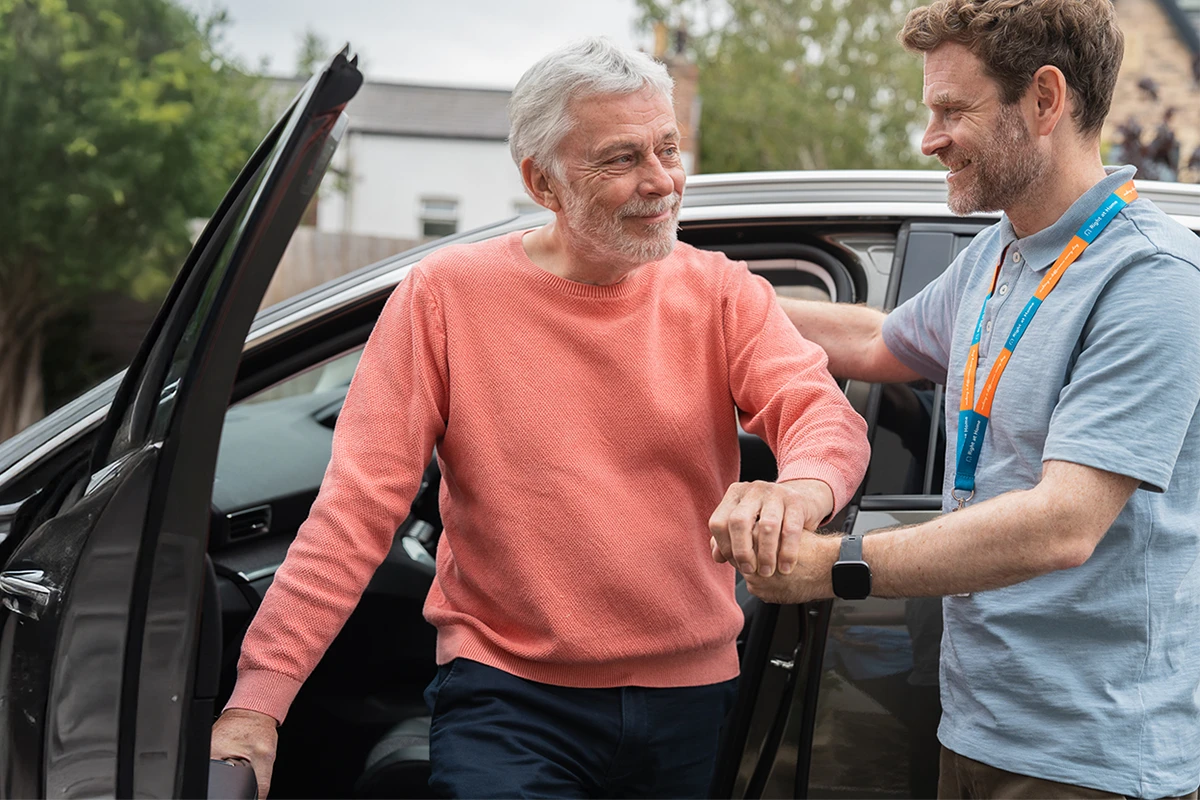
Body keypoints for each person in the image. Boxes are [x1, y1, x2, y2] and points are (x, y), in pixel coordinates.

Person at [210, 38, 870, 799]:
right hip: (509, 703)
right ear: (543, 181)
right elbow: (354, 513)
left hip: (692, 702)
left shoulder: (721, 293)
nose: (661, 182)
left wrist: (800, 490)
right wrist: (258, 702)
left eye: (667, 149)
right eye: (622, 159)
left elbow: (822, 416)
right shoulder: (446, 298)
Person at [715, 2, 1200, 798]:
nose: (929, 137)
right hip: (974, 728)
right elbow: (878, 341)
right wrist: (709, 297)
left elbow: (1064, 524)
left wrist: (830, 566)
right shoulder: (1000, 252)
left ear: (1045, 101)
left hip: (1094, 761)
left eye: (952, 110)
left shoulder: (1151, 280)